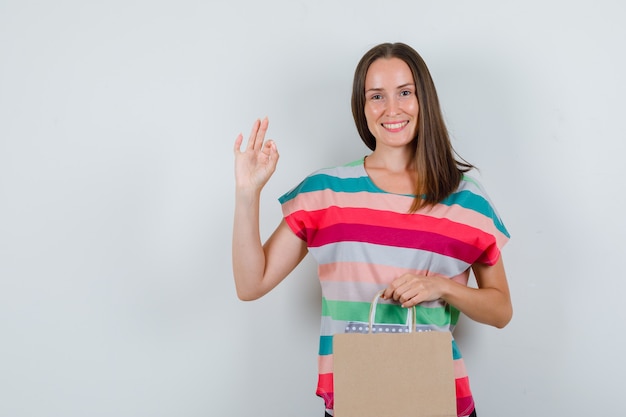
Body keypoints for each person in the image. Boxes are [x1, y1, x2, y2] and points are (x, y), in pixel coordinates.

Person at [232, 42, 512, 417]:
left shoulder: (465, 197)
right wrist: (247, 195)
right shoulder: (325, 191)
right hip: (354, 401)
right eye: (376, 96)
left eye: (405, 93)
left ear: (423, 99)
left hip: (439, 402)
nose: (392, 109)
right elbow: (252, 284)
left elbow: (501, 310)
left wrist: (439, 286)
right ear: (362, 108)